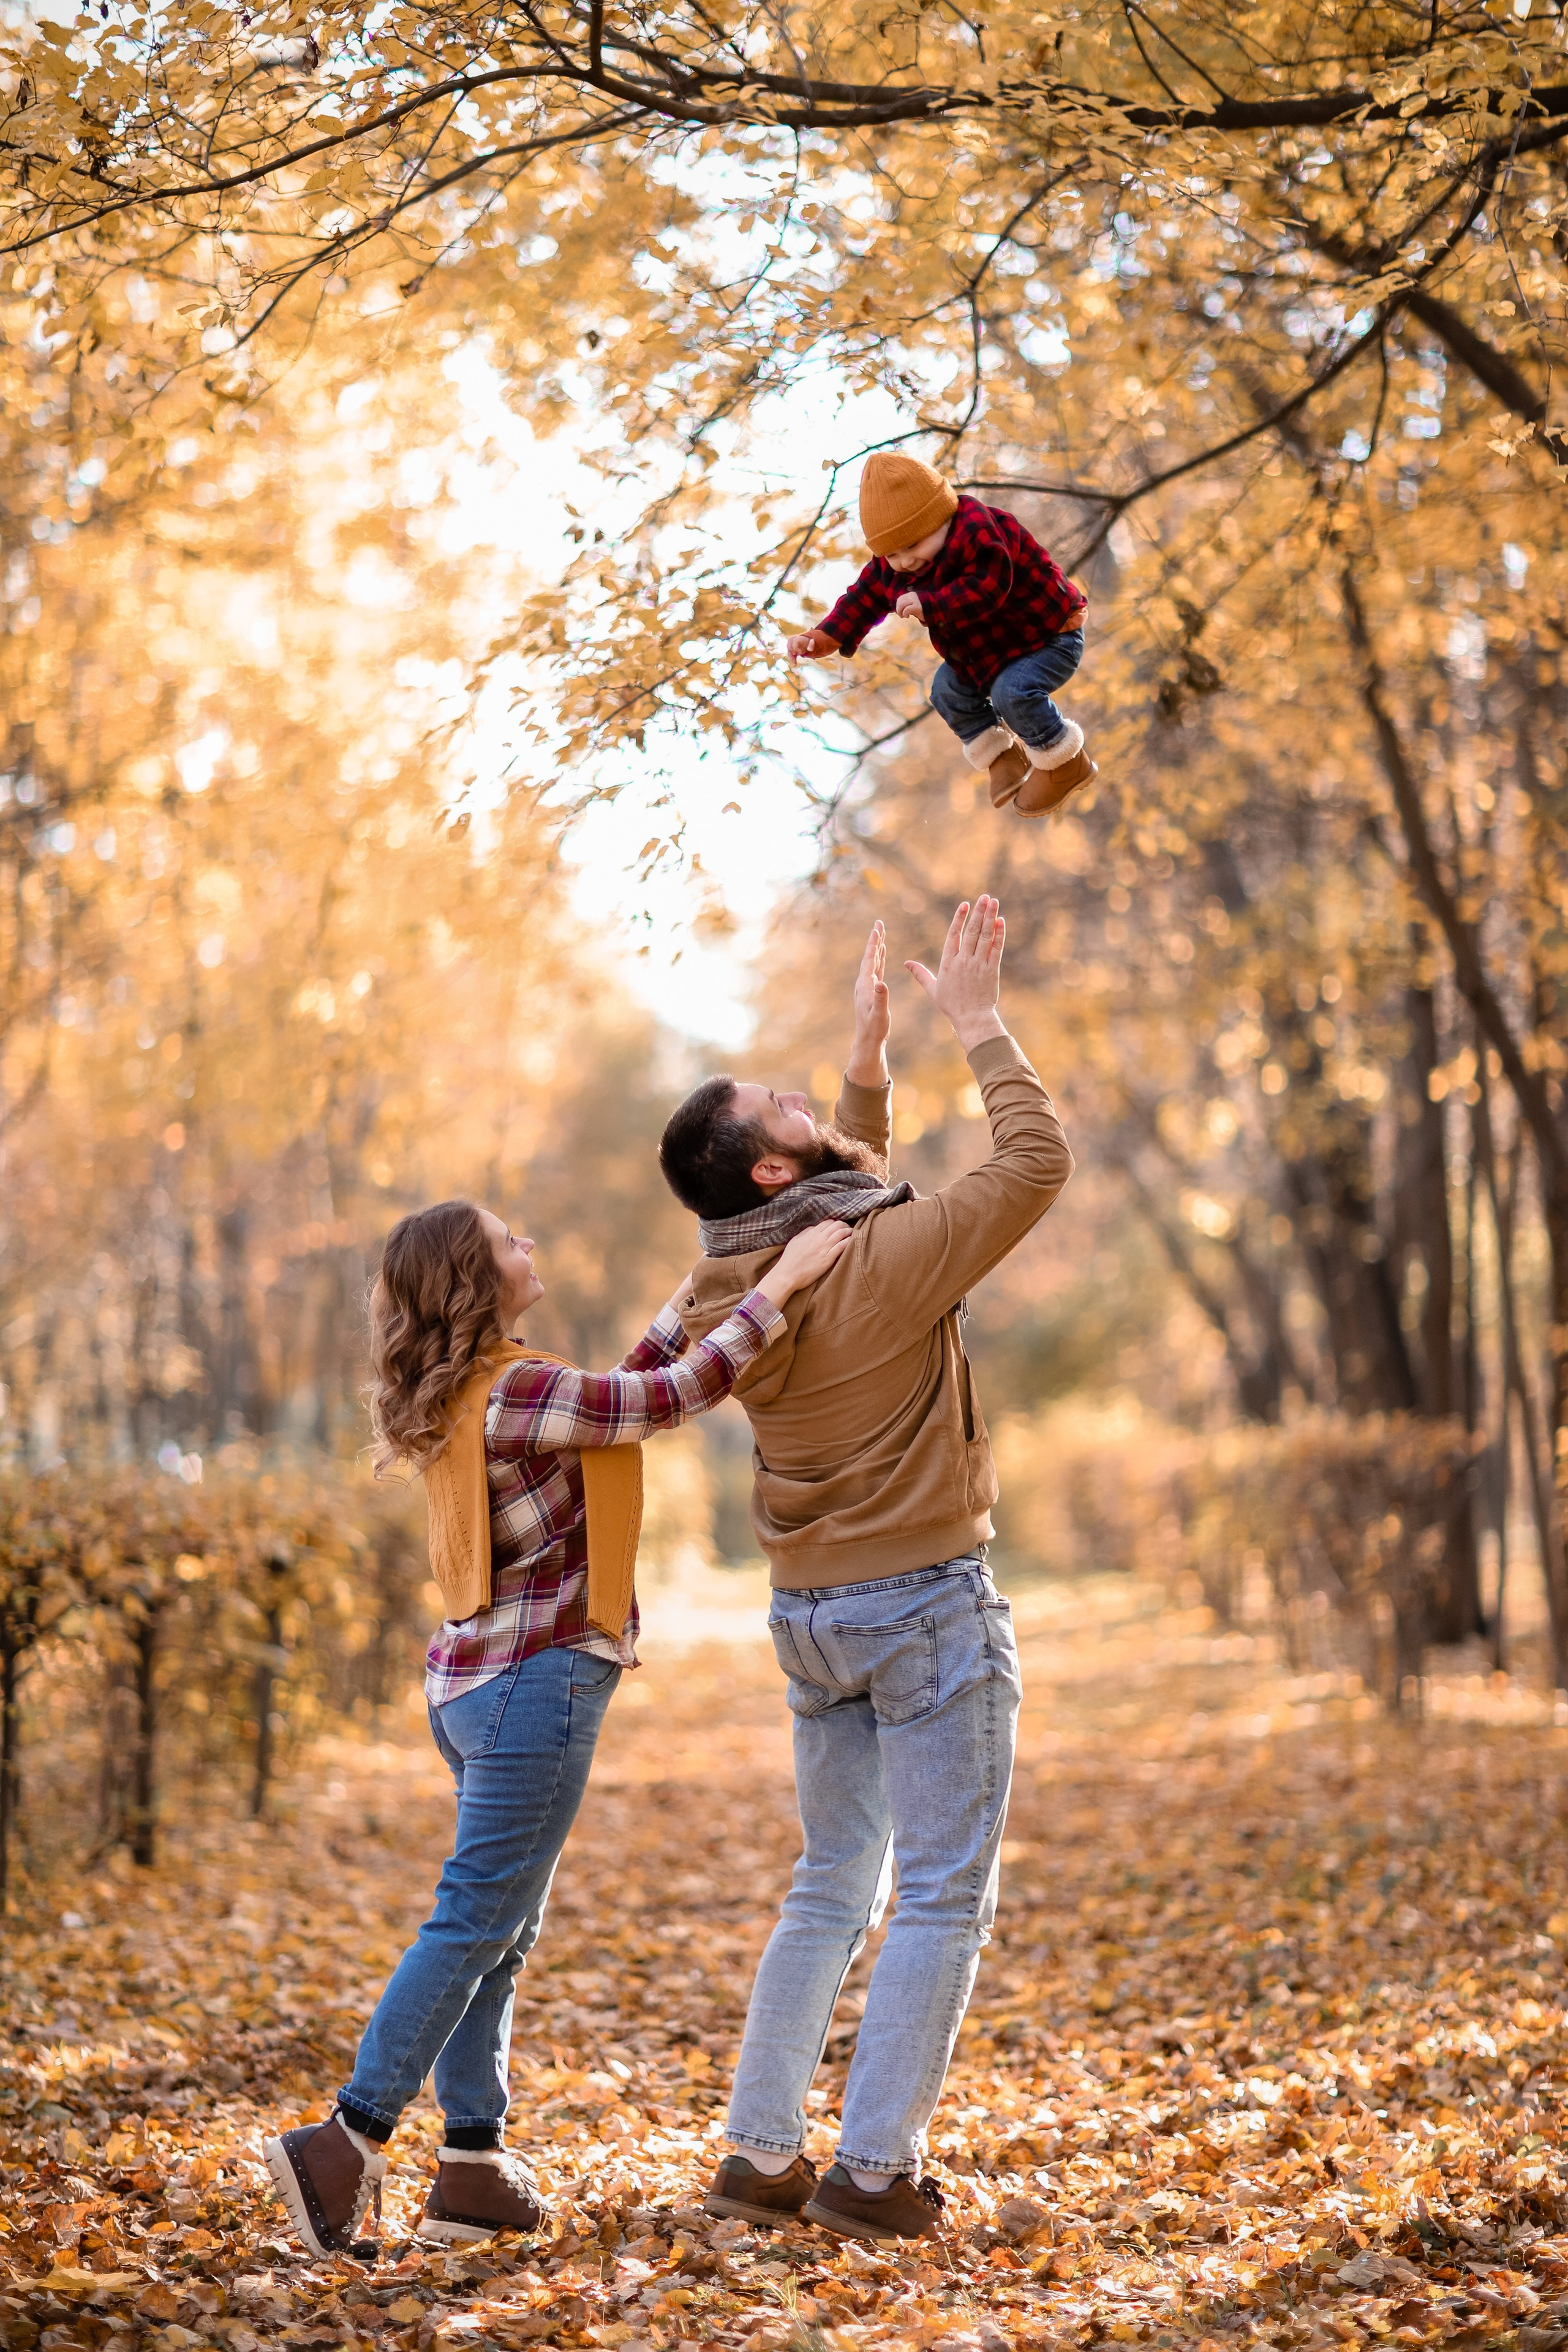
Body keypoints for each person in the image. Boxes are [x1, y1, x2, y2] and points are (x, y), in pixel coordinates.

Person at [262, 1197, 851, 2258]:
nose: (530, 1243)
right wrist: (782, 1286)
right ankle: (344, 2141)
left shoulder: (489, 1389)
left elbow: (617, 1396)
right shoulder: (517, 1389)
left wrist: (695, 1293)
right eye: (508, 1240)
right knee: (475, 1921)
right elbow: (664, 1399)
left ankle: (474, 2167)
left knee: (500, 1931)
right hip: (536, 1685)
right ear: (475, 1280)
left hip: (477, 1686)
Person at [657, 899, 1073, 2244]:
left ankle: (761, 2151)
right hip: (926, 1613)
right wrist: (978, 1025)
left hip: (812, 1619)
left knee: (831, 1880)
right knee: (943, 1889)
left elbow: (853, 1197)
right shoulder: (884, 1263)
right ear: (770, 1174)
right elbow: (1033, 1162)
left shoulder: (735, 1290)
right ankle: (874, 2171)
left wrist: (863, 1066)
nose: (800, 1097)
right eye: (779, 1103)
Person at [785, 453, 1097, 818]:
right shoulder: (896, 563)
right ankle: (1003, 758)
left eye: (914, 547)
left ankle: (1064, 761)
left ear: (942, 517)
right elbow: (864, 598)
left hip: (1048, 636)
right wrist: (826, 636)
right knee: (946, 691)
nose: (904, 563)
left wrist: (932, 604)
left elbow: (989, 587)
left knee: (1011, 693)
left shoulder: (980, 530)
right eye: (892, 555)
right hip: (989, 652)